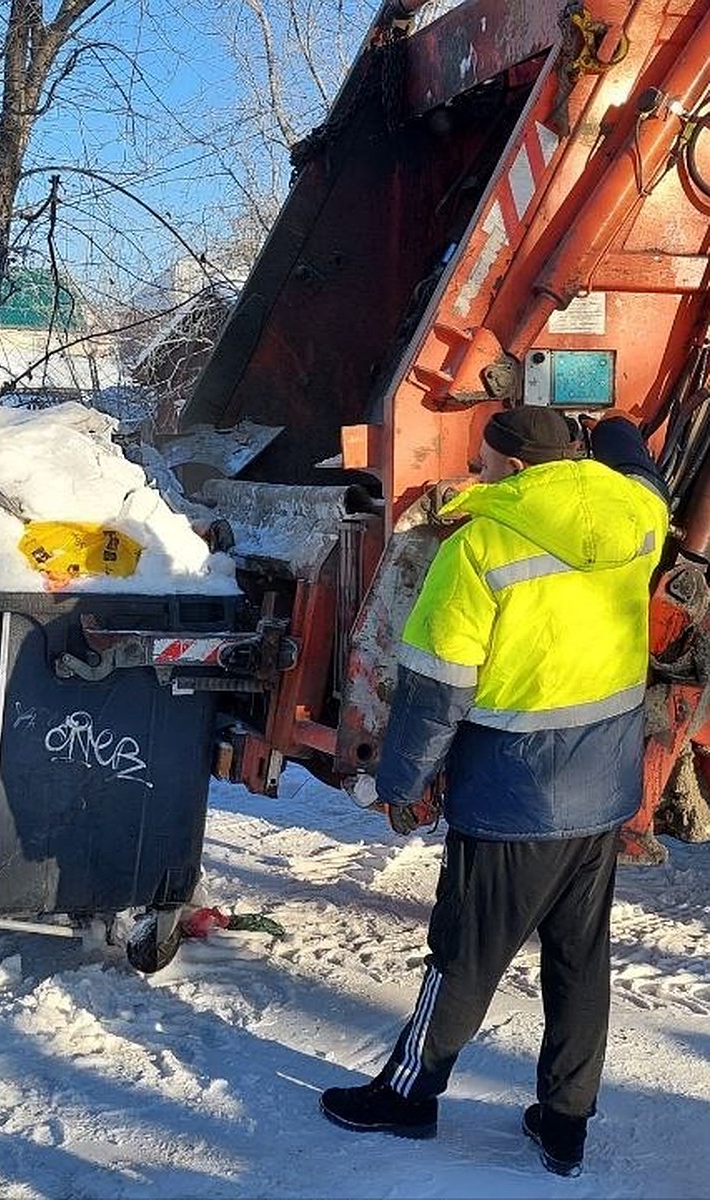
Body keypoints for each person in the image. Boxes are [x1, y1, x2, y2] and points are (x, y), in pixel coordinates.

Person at [319, 405, 670, 1177]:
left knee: (465, 954)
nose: (475, 473)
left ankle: (408, 1097)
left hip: (513, 799)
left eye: (481, 463)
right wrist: (614, 425)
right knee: (579, 961)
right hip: (601, 793)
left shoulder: (479, 546)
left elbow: (435, 692)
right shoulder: (636, 515)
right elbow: (643, 470)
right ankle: (565, 1121)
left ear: (511, 470)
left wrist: (401, 784)